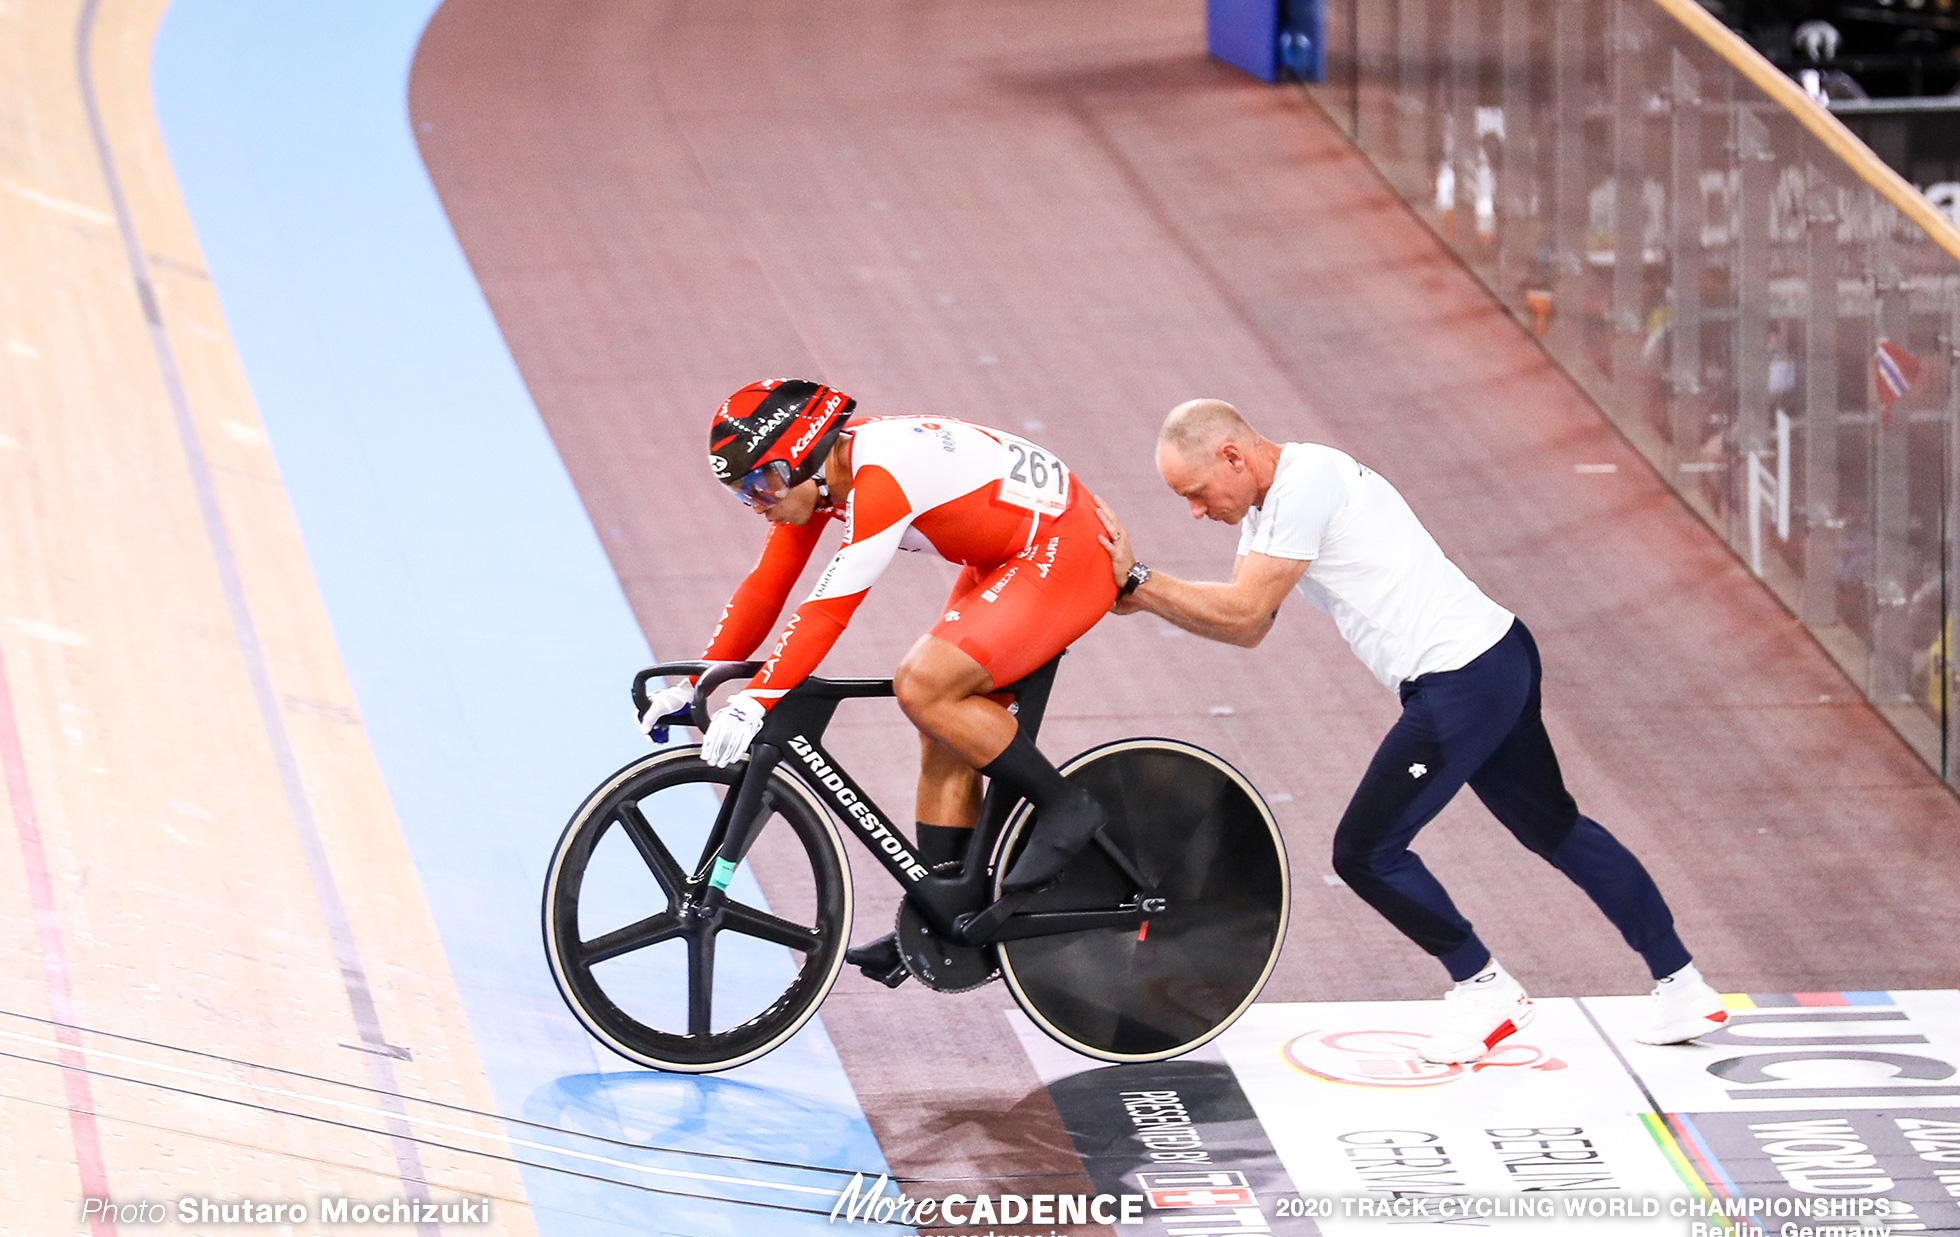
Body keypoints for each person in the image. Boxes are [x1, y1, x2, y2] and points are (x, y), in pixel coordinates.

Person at [1095, 398, 1726, 1062]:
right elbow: (1247, 624)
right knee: (1554, 827)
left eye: (1195, 494)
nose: (1195, 512)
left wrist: (1141, 579)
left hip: (1460, 682)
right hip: (1497, 655)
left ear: (1233, 456)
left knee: (1365, 853)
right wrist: (1141, 596)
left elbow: (1245, 609)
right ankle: (1682, 985)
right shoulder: (1271, 505)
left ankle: (1483, 988)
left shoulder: (1305, 485)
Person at [640, 379, 1118, 984]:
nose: (757, 502)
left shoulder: (880, 476)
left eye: (761, 484)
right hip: (1005, 556)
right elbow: (767, 587)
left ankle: (1065, 806)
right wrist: (693, 681)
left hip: (1062, 548)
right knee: (943, 730)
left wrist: (757, 700)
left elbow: (832, 603)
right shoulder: (818, 479)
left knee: (923, 684)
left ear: (805, 457)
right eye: (742, 493)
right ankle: (946, 906)